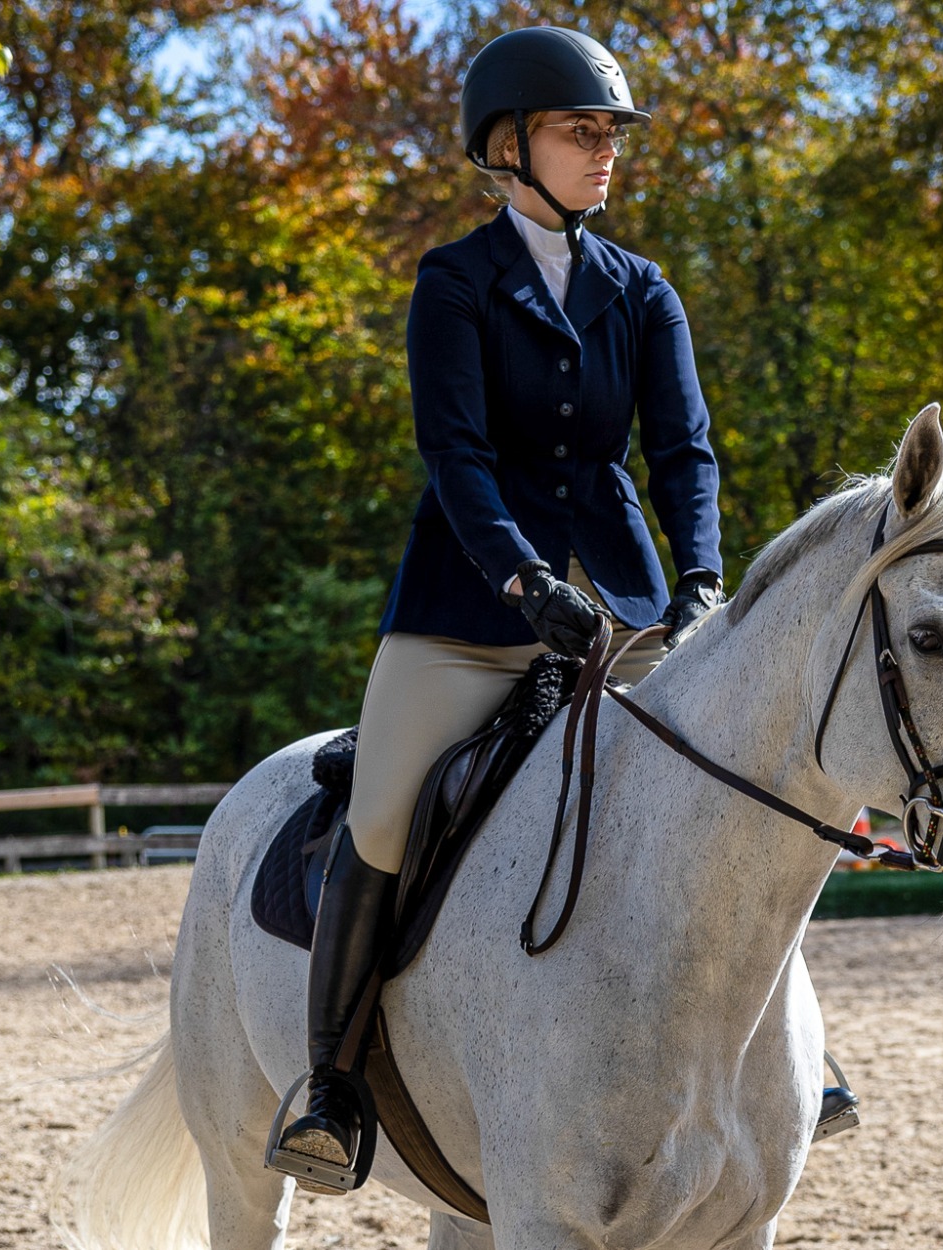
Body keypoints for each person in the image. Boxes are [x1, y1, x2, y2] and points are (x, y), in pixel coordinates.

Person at [267, 25, 854, 1194]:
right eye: (581, 131)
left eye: (610, 135)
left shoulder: (642, 292)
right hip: (466, 610)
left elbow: (683, 451)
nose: (605, 152)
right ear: (507, 145)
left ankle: (803, 1052)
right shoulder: (454, 281)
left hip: (630, 605)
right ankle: (331, 1082)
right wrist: (524, 580)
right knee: (383, 807)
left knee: (738, 797)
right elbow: (457, 456)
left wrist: (696, 580)